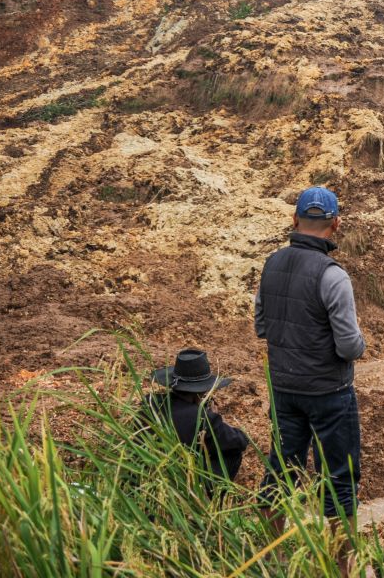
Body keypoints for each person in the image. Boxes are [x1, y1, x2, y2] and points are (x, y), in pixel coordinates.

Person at [255, 186, 366, 526]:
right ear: (336, 224)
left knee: (281, 470)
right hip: (329, 392)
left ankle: (269, 557)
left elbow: (261, 326)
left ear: (294, 220)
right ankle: (340, 567)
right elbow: (349, 346)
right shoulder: (332, 275)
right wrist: (361, 343)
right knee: (338, 482)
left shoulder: (272, 263)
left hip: (285, 388)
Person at [144, 348, 251, 484]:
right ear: (202, 390)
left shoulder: (150, 401)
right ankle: (209, 496)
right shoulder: (202, 418)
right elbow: (239, 441)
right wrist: (211, 415)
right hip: (180, 478)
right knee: (231, 453)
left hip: (148, 469)